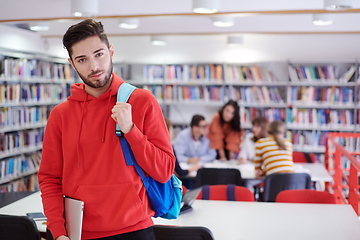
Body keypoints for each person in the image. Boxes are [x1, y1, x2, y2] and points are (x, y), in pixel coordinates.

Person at [38, 19, 175, 240]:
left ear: (111, 52)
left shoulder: (142, 101)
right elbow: (50, 178)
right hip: (80, 233)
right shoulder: (60, 115)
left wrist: (131, 131)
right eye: (82, 59)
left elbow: (164, 170)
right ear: (72, 64)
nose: (94, 66)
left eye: (99, 54)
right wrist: (58, 231)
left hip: (135, 230)